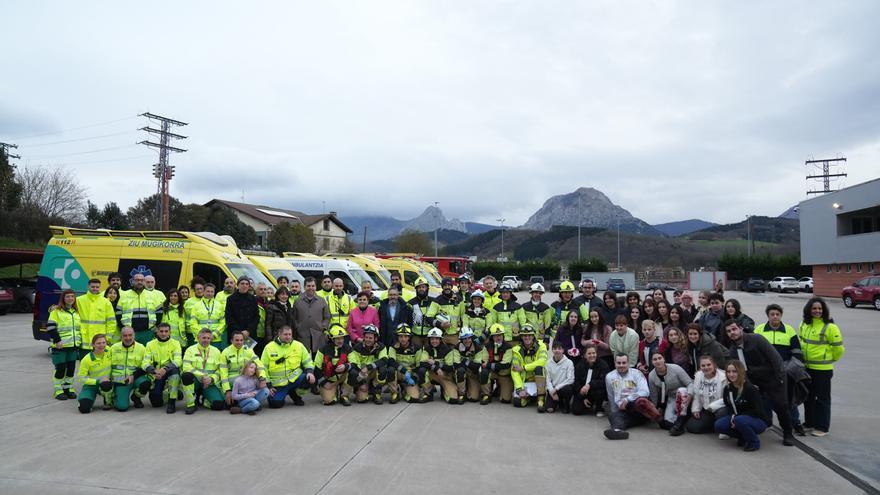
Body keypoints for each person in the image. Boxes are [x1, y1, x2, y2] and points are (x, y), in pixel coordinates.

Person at [725, 319, 795, 446]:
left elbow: (776, 358)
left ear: (740, 328)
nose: (732, 333)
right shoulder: (734, 350)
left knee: (780, 406)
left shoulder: (756, 339)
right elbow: (740, 370)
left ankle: (788, 433)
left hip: (773, 377)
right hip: (755, 381)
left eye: (734, 329)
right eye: (729, 331)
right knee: (758, 405)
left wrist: (779, 379)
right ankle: (763, 425)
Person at [754, 303, 807, 435]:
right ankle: (767, 422)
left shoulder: (789, 330)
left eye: (777, 314)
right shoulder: (759, 330)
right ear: (768, 316)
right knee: (765, 398)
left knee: (788, 399)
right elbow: (754, 351)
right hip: (765, 372)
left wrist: (787, 369)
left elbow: (797, 353)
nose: (775, 317)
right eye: (772, 314)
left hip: (784, 372)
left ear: (781, 315)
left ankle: (795, 423)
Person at [799, 297, 845, 437]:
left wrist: (830, 359)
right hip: (807, 367)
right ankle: (810, 423)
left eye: (820, 308)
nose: (817, 311)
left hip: (822, 370)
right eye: (814, 308)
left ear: (823, 310)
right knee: (808, 397)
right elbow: (801, 341)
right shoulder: (804, 324)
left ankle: (822, 426)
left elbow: (839, 349)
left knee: (822, 398)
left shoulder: (830, 327)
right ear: (809, 310)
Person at [603, 353, 661, 440]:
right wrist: (615, 412)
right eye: (619, 363)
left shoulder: (637, 374)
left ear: (628, 363)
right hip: (623, 409)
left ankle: (660, 420)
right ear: (615, 363)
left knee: (641, 402)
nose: (621, 365)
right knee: (614, 417)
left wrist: (628, 399)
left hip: (637, 406)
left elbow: (645, 392)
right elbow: (611, 396)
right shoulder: (609, 376)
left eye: (624, 363)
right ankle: (618, 430)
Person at [714, 360, 769, 452]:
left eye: (734, 371)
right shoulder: (727, 388)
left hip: (758, 420)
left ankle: (754, 442)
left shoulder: (750, 388)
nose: (731, 374)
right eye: (728, 372)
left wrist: (736, 417)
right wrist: (732, 416)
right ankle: (743, 437)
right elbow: (728, 405)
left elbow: (758, 411)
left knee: (740, 420)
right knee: (719, 425)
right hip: (738, 418)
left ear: (741, 372)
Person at [260, 325, 315, 408]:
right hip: (278, 384)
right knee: (275, 404)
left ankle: (295, 394)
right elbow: (263, 367)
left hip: (294, 379)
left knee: (308, 379)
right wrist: (268, 385)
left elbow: (308, 361)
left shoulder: (299, 345)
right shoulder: (269, 347)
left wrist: (310, 372)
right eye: (285, 334)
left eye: (290, 334)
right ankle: (287, 392)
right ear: (279, 334)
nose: (288, 337)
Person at [47, 289, 83, 400]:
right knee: (61, 368)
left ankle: (68, 388)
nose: (70, 299)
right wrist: (57, 340)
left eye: (72, 296)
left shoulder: (76, 312)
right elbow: (51, 328)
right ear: (63, 298)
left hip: (73, 346)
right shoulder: (56, 312)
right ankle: (58, 390)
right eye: (67, 297)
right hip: (60, 346)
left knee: (71, 368)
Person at [181, 328, 226, 414]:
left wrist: (211, 379)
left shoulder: (216, 351)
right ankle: (191, 404)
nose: (206, 340)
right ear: (198, 338)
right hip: (196, 381)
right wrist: (202, 376)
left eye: (208, 338)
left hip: (209, 383)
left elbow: (220, 370)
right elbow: (186, 367)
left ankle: (205, 400)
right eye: (204, 338)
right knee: (186, 376)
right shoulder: (190, 350)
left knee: (218, 405)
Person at [142, 322, 182, 413]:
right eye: (161, 331)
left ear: (170, 332)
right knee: (156, 403)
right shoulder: (150, 344)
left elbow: (178, 361)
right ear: (157, 332)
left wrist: (165, 369)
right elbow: (145, 362)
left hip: (170, 371)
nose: (163, 334)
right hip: (156, 374)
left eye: (166, 331)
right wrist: (153, 371)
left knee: (175, 374)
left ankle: (172, 402)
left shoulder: (175, 343)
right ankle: (173, 392)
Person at [648, 352, 692, 435]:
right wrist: (656, 409)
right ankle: (683, 419)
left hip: (685, 394)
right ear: (652, 362)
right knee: (668, 422)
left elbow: (690, 383)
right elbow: (654, 395)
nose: (657, 361)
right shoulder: (651, 376)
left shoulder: (675, 368)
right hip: (672, 397)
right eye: (655, 359)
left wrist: (689, 396)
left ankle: (679, 425)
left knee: (681, 391)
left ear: (664, 359)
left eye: (659, 358)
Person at [109, 327, 150, 411]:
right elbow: (107, 366)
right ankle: (115, 396)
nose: (128, 338)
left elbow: (145, 365)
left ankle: (136, 397)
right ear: (121, 336)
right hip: (120, 380)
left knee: (146, 384)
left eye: (130, 335)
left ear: (134, 335)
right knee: (122, 407)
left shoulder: (141, 348)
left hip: (135, 378)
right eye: (125, 336)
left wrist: (133, 376)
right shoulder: (114, 348)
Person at [220, 331, 264, 409]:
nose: (239, 342)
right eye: (237, 340)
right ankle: (251, 405)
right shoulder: (225, 352)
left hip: (247, 381)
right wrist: (227, 390)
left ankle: (250, 405)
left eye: (241, 340)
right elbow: (223, 374)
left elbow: (259, 364)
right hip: (233, 383)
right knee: (227, 405)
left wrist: (262, 378)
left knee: (265, 391)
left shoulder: (249, 350)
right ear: (231, 341)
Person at [387, 324, 428, 404]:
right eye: (401, 336)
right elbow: (391, 362)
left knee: (414, 398)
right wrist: (404, 371)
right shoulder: (393, 347)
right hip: (398, 372)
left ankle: (403, 389)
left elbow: (419, 365)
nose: (403, 339)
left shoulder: (416, 348)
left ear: (409, 337)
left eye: (405, 336)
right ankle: (394, 392)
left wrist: (414, 377)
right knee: (390, 370)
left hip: (410, 374)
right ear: (397, 337)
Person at [687, 355, 728, 434]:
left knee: (721, 413)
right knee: (692, 427)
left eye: (709, 365)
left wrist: (713, 406)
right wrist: (696, 409)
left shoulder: (724, 377)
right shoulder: (698, 376)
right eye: (703, 365)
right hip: (707, 409)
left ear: (714, 365)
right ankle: (713, 425)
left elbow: (726, 398)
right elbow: (697, 395)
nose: (706, 367)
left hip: (721, 408)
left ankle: (722, 428)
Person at [348, 325, 389, 404]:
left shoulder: (381, 347)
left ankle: (376, 391)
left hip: (372, 372)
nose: (368, 340)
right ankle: (360, 388)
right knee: (362, 399)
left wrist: (368, 367)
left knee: (383, 370)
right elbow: (353, 362)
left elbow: (384, 360)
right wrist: (361, 380)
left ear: (375, 338)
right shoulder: (357, 347)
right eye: (366, 337)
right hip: (362, 374)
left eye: (370, 338)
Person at [511, 325, 548, 411]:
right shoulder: (516, 350)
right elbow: (514, 371)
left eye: (529, 335)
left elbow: (542, 361)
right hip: (525, 382)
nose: (527, 337)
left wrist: (524, 368)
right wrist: (520, 389)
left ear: (533, 336)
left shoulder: (541, 346)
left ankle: (540, 399)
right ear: (521, 337)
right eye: (524, 335)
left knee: (539, 368)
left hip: (538, 380)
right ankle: (528, 397)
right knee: (517, 402)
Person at [77, 278, 117, 356]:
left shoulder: (106, 302)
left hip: (100, 342)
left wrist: (107, 338)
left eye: (97, 287)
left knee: (99, 365)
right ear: (88, 286)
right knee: (84, 366)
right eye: (93, 287)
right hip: (84, 341)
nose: (95, 289)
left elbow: (111, 322)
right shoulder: (79, 300)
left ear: (100, 287)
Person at [314, 326, 353, 406]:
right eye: (338, 338)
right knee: (328, 401)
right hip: (329, 379)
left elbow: (355, 364)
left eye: (342, 338)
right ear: (332, 339)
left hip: (343, 378)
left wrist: (346, 366)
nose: (340, 341)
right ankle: (334, 392)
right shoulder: (323, 350)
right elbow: (316, 368)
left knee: (354, 373)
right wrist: (324, 382)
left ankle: (344, 395)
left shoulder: (348, 349)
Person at [422, 327, 461, 404]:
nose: (434, 341)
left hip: (445, 376)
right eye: (432, 339)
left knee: (453, 400)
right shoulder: (426, 349)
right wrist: (435, 368)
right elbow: (422, 363)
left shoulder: (447, 350)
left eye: (436, 339)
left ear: (440, 339)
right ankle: (429, 393)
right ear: (429, 340)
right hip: (433, 374)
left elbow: (450, 367)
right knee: (421, 371)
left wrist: (436, 363)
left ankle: (444, 390)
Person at [76, 334, 114, 413]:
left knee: (106, 385)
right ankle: (87, 400)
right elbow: (81, 378)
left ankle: (108, 402)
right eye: (98, 343)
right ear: (93, 345)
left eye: (104, 342)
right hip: (91, 385)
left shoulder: (109, 351)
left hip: (106, 384)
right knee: (84, 408)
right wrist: (97, 382)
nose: (102, 345)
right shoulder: (87, 359)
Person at [293, 277, 331, 355]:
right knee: (303, 357)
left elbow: (327, 316)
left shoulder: (321, 300)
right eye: (308, 286)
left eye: (313, 286)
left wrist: (323, 327)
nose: (311, 288)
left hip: (318, 335)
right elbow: (294, 317)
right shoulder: (297, 301)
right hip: (302, 335)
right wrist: (298, 327)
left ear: (316, 287)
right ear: (304, 287)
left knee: (317, 358)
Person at [120, 273, 160, 346]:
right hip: (130, 332)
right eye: (137, 280)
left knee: (146, 354)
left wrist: (156, 327)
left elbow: (159, 311)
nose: (139, 282)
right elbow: (118, 312)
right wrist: (122, 327)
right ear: (132, 281)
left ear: (144, 282)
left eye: (142, 280)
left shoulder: (152, 295)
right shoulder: (124, 294)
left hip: (148, 332)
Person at [572, 344, 609, 416]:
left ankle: (599, 408)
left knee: (600, 391)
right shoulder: (580, 365)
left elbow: (605, 381)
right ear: (585, 355)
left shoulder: (603, 364)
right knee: (576, 411)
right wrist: (582, 397)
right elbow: (576, 382)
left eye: (593, 353)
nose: (592, 355)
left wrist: (590, 384)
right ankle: (587, 404)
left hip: (595, 391)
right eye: (589, 353)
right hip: (583, 392)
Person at [481, 324, 514, 404]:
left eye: (500, 335)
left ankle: (499, 388)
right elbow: (483, 361)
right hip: (491, 373)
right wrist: (488, 365)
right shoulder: (487, 346)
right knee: (484, 372)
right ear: (492, 337)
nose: (498, 337)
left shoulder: (508, 347)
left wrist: (489, 365)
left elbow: (505, 365)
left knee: (506, 400)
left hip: (503, 374)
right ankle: (486, 394)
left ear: (503, 335)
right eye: (495, 336)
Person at [189, 283, 227, 349]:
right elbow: (193, 323)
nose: (210, 293)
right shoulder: (196, 306)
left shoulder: (219, 305)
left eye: (212, 292)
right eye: (208, 291)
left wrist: (214, 335)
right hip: (200, 339)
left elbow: (223, 323)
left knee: (214, 358)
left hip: (215, 339)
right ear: (203, 291)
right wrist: (203, 335)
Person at [455, 327, 486, 403]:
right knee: (460, 370)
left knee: (474, 398)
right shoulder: (456, 348)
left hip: (473, 374)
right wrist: (469, 363)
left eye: (469, 338)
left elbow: (477, 367)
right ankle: (462, 393)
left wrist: (464, 360)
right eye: (465, 338)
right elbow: (456, 365)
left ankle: (470, 388)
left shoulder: (478, 348)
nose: (467, 341)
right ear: (461, 339)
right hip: (461, 373)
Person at [225, 277, 259, 343]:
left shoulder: (253, 299)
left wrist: (248, 330)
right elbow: (229, 317)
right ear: (238, 285)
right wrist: (240, 332)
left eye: (247, 284)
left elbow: (256, 316)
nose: (244, 286)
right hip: (235, 333)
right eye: (242, 283)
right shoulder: (231, 299)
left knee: (249, 353)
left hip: (250, 334)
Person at [427, 278, 461, 345]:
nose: (447, 287)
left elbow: (464, 316)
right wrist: (440, 324)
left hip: (456, 335)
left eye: (449, 285)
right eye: (445, 285)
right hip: (442, 335)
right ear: (442, 287)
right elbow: (428, 317)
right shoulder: (437, 300)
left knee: (455, 355)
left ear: (452, 286)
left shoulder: (459, 299)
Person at [544, 340, 574, 413]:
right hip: (553, 390)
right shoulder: (548, 363)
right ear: (552, 350)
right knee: (549, 410)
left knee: (567, 389)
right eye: (555, 348)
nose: (557, 350)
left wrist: (557, 388)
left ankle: (565, 404)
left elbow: (570, 379)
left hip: (563, 389)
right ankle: (557, 402)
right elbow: (547, 379)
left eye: (559, 348)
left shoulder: (569, 362)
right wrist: (551, 392)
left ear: (563, 350)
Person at [408, 277, 435, 347]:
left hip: (430, 336)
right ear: (416, 289)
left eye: (423, 287)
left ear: (427, 288)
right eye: (419, 287)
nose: (421, 289)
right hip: (415, 336)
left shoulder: (434, 302)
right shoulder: (411, 303)